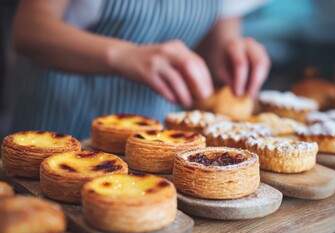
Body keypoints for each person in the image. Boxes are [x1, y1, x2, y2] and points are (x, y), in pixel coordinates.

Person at [8, 0, 270, 139]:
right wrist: (125, 55)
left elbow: (217, 47)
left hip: (157, 130)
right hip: (59, 118)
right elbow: (29, 30)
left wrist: (234, 58)